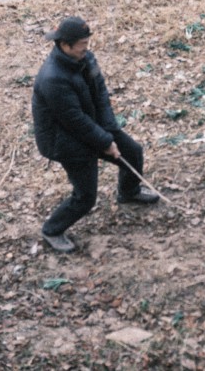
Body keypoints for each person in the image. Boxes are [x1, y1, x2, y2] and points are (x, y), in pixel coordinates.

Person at [32, 16, 158, 253]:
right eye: (82, 45)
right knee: (86, 197)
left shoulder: (86, 58)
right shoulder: (52, 79)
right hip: (63, 140)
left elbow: (100, 93)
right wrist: (104, 142)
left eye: (87, 44)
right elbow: (74, 121)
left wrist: (110, 130)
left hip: (91, 125)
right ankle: (52, 230)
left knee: (132, 151)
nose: (86, 49)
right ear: (65, 45)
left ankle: (128, 193)